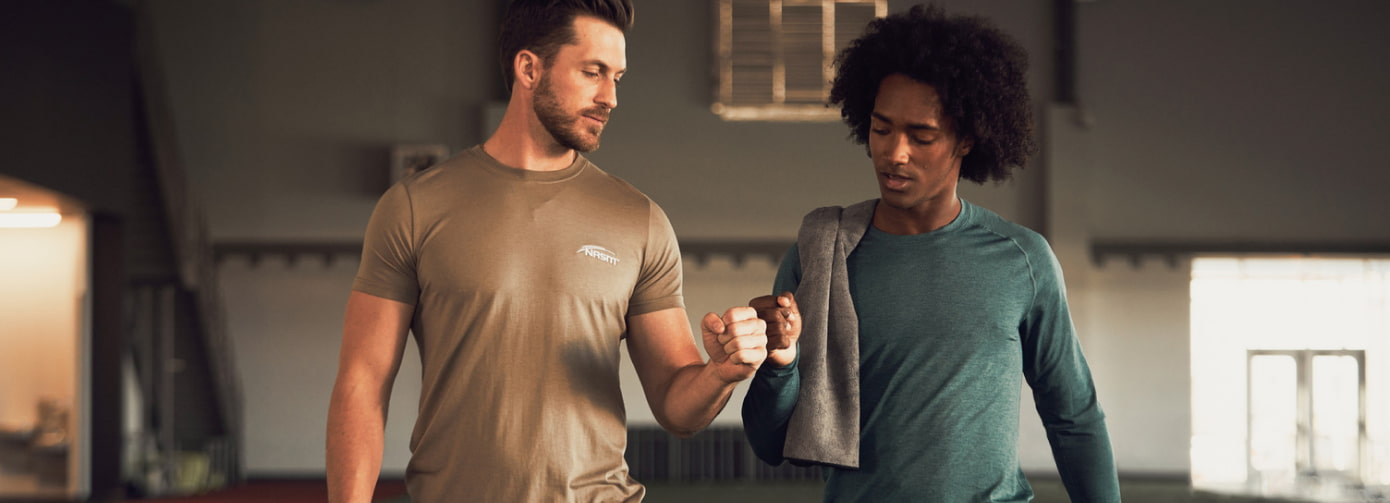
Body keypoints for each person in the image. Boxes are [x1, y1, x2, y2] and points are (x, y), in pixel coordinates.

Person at [326, 1, 770, 501]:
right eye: (593, 72)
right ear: (529, 68)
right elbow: (362, 385)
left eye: (618, 77)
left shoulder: (639, 220)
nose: (611, 97)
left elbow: (677, 407)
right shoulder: (414, 207)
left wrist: (722, 373)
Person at [742, 4, 1121, 502]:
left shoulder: (1021, 260)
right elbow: (769, 443)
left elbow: (1074, 418)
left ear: (966, 139)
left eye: (921, 136)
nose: (894, 153)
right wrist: (779, 363)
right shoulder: (821, 253)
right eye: (881, 129)